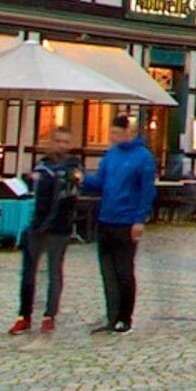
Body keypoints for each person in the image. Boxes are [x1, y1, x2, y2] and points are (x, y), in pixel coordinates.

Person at [84, 111, 157, 333]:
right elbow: (100, 183)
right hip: (106, 217)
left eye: (116, 133)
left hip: (126, 221)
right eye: (111, 133)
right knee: (107, 271)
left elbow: (147, 191)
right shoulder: (111, 155)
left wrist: (139, 219)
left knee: (124, 271)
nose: (113, 137)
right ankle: (111, 315)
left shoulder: (143, 157)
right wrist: (82, 179)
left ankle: (125, 318)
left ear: (128, 132)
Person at [9, 134, 81, 335]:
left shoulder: (72, 167)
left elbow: (71, 194)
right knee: (28, 273)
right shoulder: (41, 166)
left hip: (59, 227)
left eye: (66, 141)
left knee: (54, 272)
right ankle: (24, 315)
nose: (61, 145)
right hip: (37, 227)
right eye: (58, 140)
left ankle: (49, 315)